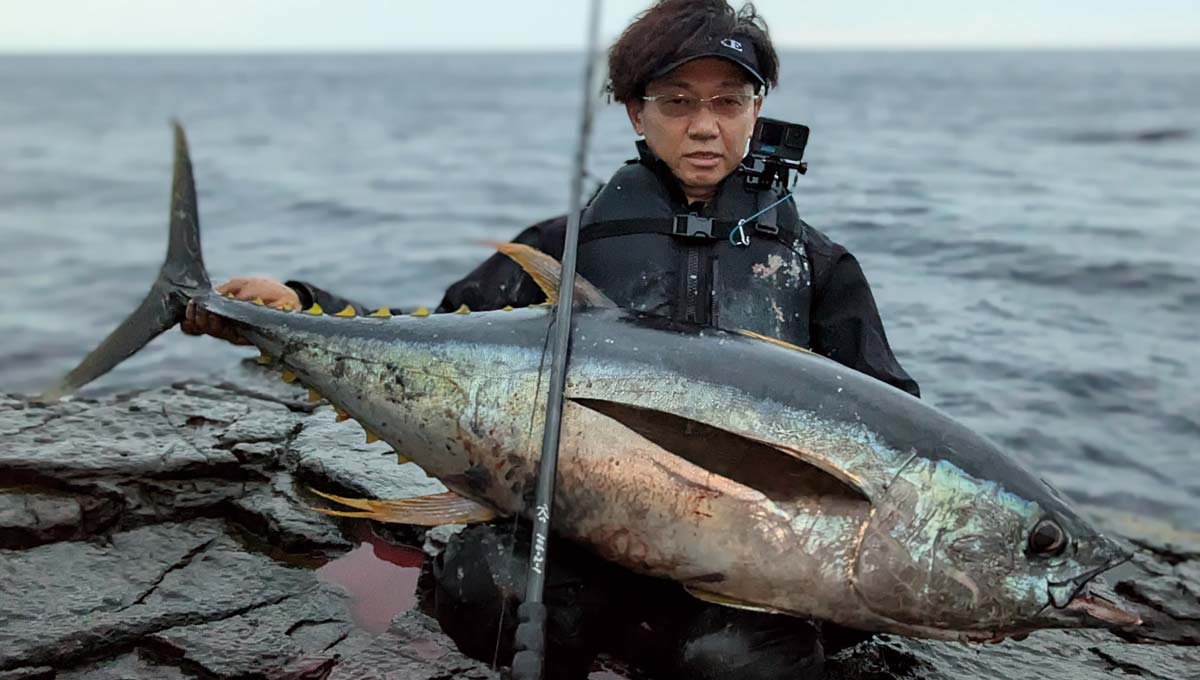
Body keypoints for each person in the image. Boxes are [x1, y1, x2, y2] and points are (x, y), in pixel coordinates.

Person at [184, 1, 918, 676]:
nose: (705, 126)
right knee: (483, 587)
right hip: (575, 541)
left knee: (744, 665)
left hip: (746, 570)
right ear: (637, 113)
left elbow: (890, 429)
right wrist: (300, 306)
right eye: (678, 102)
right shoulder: (565, 249)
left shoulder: (816, 266)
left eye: (729, 102)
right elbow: (438, 343)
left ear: (757, 110)